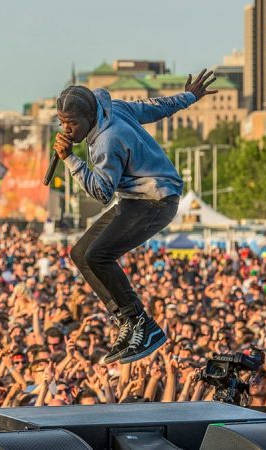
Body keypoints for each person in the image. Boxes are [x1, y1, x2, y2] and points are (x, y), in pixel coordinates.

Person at [52, 70, 219, 364]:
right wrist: (190, 96)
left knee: (99, 255)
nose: (67, 130)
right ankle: (128, 323)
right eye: (62, 122)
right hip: (135, 198)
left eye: (72, 123)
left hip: (156, 200)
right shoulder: (113, 107)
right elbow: (155, 107)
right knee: (80, 253)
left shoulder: (106, 141)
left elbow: (101, 192)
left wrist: (70, 159)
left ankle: (143, 325)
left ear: (89, 117)